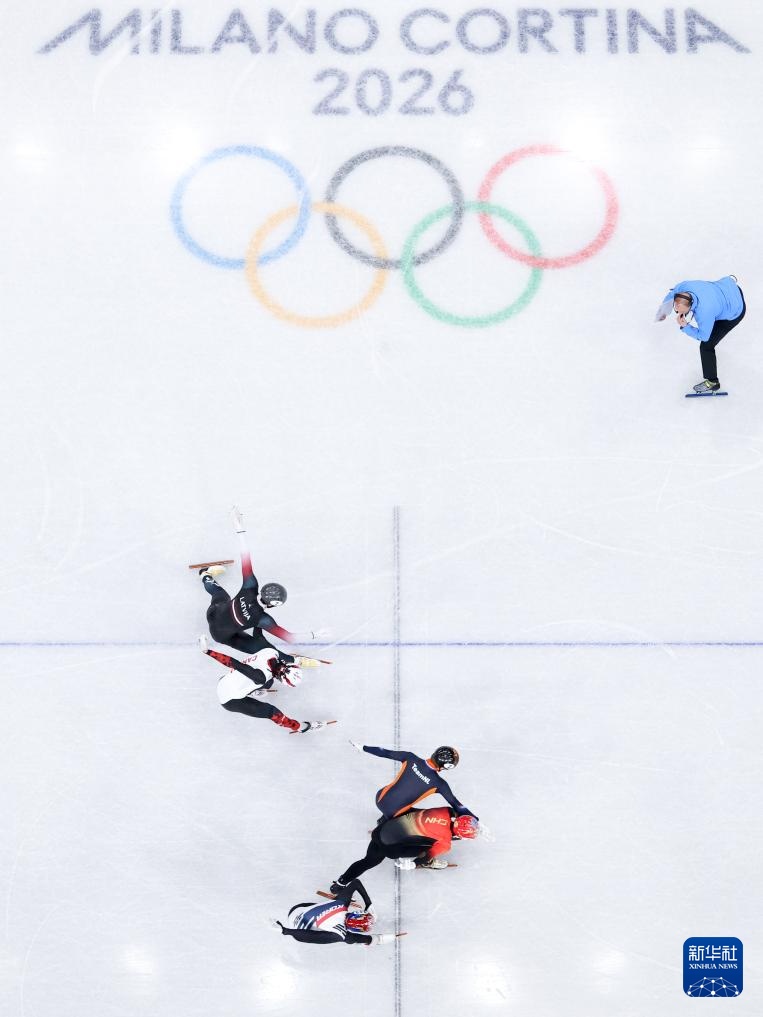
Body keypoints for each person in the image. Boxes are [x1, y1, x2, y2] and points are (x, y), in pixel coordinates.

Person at [199, 506, 325, 660]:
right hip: (221, 636)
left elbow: (245, 557)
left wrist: (240, 529)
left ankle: (205, 575)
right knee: (264, 648)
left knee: (219, 593)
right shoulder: (263, 620)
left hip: (213, 613)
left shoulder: (250, 586)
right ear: (274, 605)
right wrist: (315, 634)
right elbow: (290, 638)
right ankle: (292, 661)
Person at [199, 636, 331, 734]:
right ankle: (301, 727)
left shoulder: (271, 652)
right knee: (271, 711)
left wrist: (308, 662)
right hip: (229, 699)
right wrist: (208, 652)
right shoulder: (260, 677)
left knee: (268, 682)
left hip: (226, 680)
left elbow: (258, 635)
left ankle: (251, 691)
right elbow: (232, 662)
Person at [330, 807, 479, 890]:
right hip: (390, 848)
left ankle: (339, 884)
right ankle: (429, 864)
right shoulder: (445, 842)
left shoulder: (446, 811)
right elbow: (426, 855)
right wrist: (414, 864)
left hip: (381, 830)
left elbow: (413, 810)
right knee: (428, 847)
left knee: (367, 861)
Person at [656, 276, 745, 393]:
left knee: (706, 346)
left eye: (682, 312)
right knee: (713, 314)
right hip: (731, 288)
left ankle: (713, 382)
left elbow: (704, 336)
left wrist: (685, 326)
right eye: (677, 310)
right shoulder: (683, 287)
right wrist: (663, 311)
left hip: (736, 309)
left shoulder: (704, 312)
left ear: (691, 306)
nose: (679, 313)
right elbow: (671, 294)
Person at [348, 742, 478, 820]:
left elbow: (385, 752)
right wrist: (476, 820)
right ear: (447, 767)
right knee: (427, 817)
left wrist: (363, 747)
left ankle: (383, 821)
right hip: (393, 813)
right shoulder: (439, 784)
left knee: (397, 797)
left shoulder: (410, 758)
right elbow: (457, 805)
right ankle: (385, 826)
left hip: (380, 798)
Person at [274, 878, 402, 946]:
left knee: (329, 908)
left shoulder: (342, 903)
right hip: (297, 931)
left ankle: (332, 903)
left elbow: (356, 883)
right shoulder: (342, 934)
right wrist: (286, 931)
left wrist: (368, 904)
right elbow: (309, 937)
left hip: (298, 909)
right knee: (331, 937)